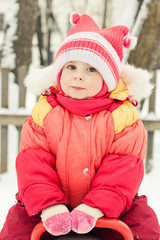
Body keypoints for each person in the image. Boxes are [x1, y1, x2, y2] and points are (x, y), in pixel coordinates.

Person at [0, 12, 160, 240]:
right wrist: (50, 206)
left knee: (145, 229)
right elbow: (33, 162)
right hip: (46, 205)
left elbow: (123, 168)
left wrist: (95, 208)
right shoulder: (45, 112)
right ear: (59, 71)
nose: (78, 77)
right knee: (15, 230)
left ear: (109, 79)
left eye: (91, 69)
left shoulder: (123, 116)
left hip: (113, 205)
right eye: (71, 67)